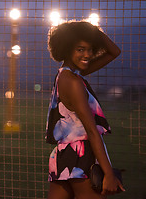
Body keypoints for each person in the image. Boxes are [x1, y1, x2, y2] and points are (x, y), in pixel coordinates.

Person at [45, 21, 125, 199]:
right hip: (82, 157)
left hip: (63, 155)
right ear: (67, 48)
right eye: (80, 49)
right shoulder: (73, 82)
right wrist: (109, 174)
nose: (87, 54)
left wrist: (91, 30)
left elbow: (114, 52)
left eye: (90, 49)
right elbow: (91, 130)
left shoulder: (68, 74)